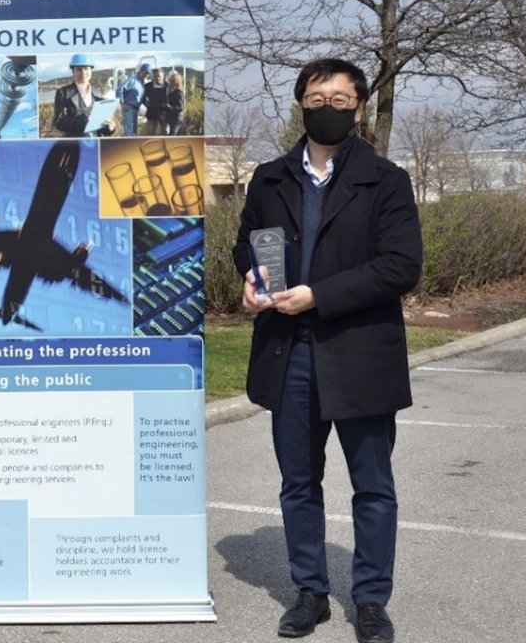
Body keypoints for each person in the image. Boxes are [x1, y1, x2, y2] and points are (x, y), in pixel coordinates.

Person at [232, 57, 421, 642]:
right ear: (301, 104)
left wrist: (318, 295)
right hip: (287, 353)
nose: (329, 108)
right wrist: (250, 279)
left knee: (373, 485)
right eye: (318, 98)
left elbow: (400, 266)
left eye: (341, 100)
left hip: (359, 350)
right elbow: (248, 244)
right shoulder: (268, 176)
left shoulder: (385, 179)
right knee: (297, 482)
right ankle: (309, 591)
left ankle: (369, 599)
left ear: (359, 107)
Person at [53, 54, 115, 137]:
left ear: (91, 71)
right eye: (78, 69)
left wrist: (110, 128)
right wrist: (80, 121)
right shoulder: (63, 93)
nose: (83, 72)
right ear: (73, 72)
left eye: (86, 68)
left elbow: (102, 129)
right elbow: (59, 122)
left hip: (96, 145)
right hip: (75, 145)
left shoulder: (99, 94)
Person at [116, 62, 150, 136]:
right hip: (128, 108)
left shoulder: (142, 83)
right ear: (141, 70)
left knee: (134, 131)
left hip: (136, 109)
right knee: (129, 131)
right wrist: (122, 103)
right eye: (145, 72)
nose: (146, 74)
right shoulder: (132, 80)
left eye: (148, 73)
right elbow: (119, 89)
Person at [142, 66, 168, 135]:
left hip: (164, 114)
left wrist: (167, 104)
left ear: (163, 76)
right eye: (156, 76)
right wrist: (145, 103)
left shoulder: (168, 86)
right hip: (151, 113)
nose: (158, 78)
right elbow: (142, 98)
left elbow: (172, 98)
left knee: (165, 133)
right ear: (153, 76)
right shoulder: (147, 86)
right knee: (150, 133)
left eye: (159, 76)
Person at [165, 71, 185, 136]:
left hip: (176, 119)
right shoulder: (174, 92)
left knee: (172, 136)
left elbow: (180, 107)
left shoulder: (179, 93)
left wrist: (169, 106)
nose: (170, 83)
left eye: (171, 81)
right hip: (174, 118)